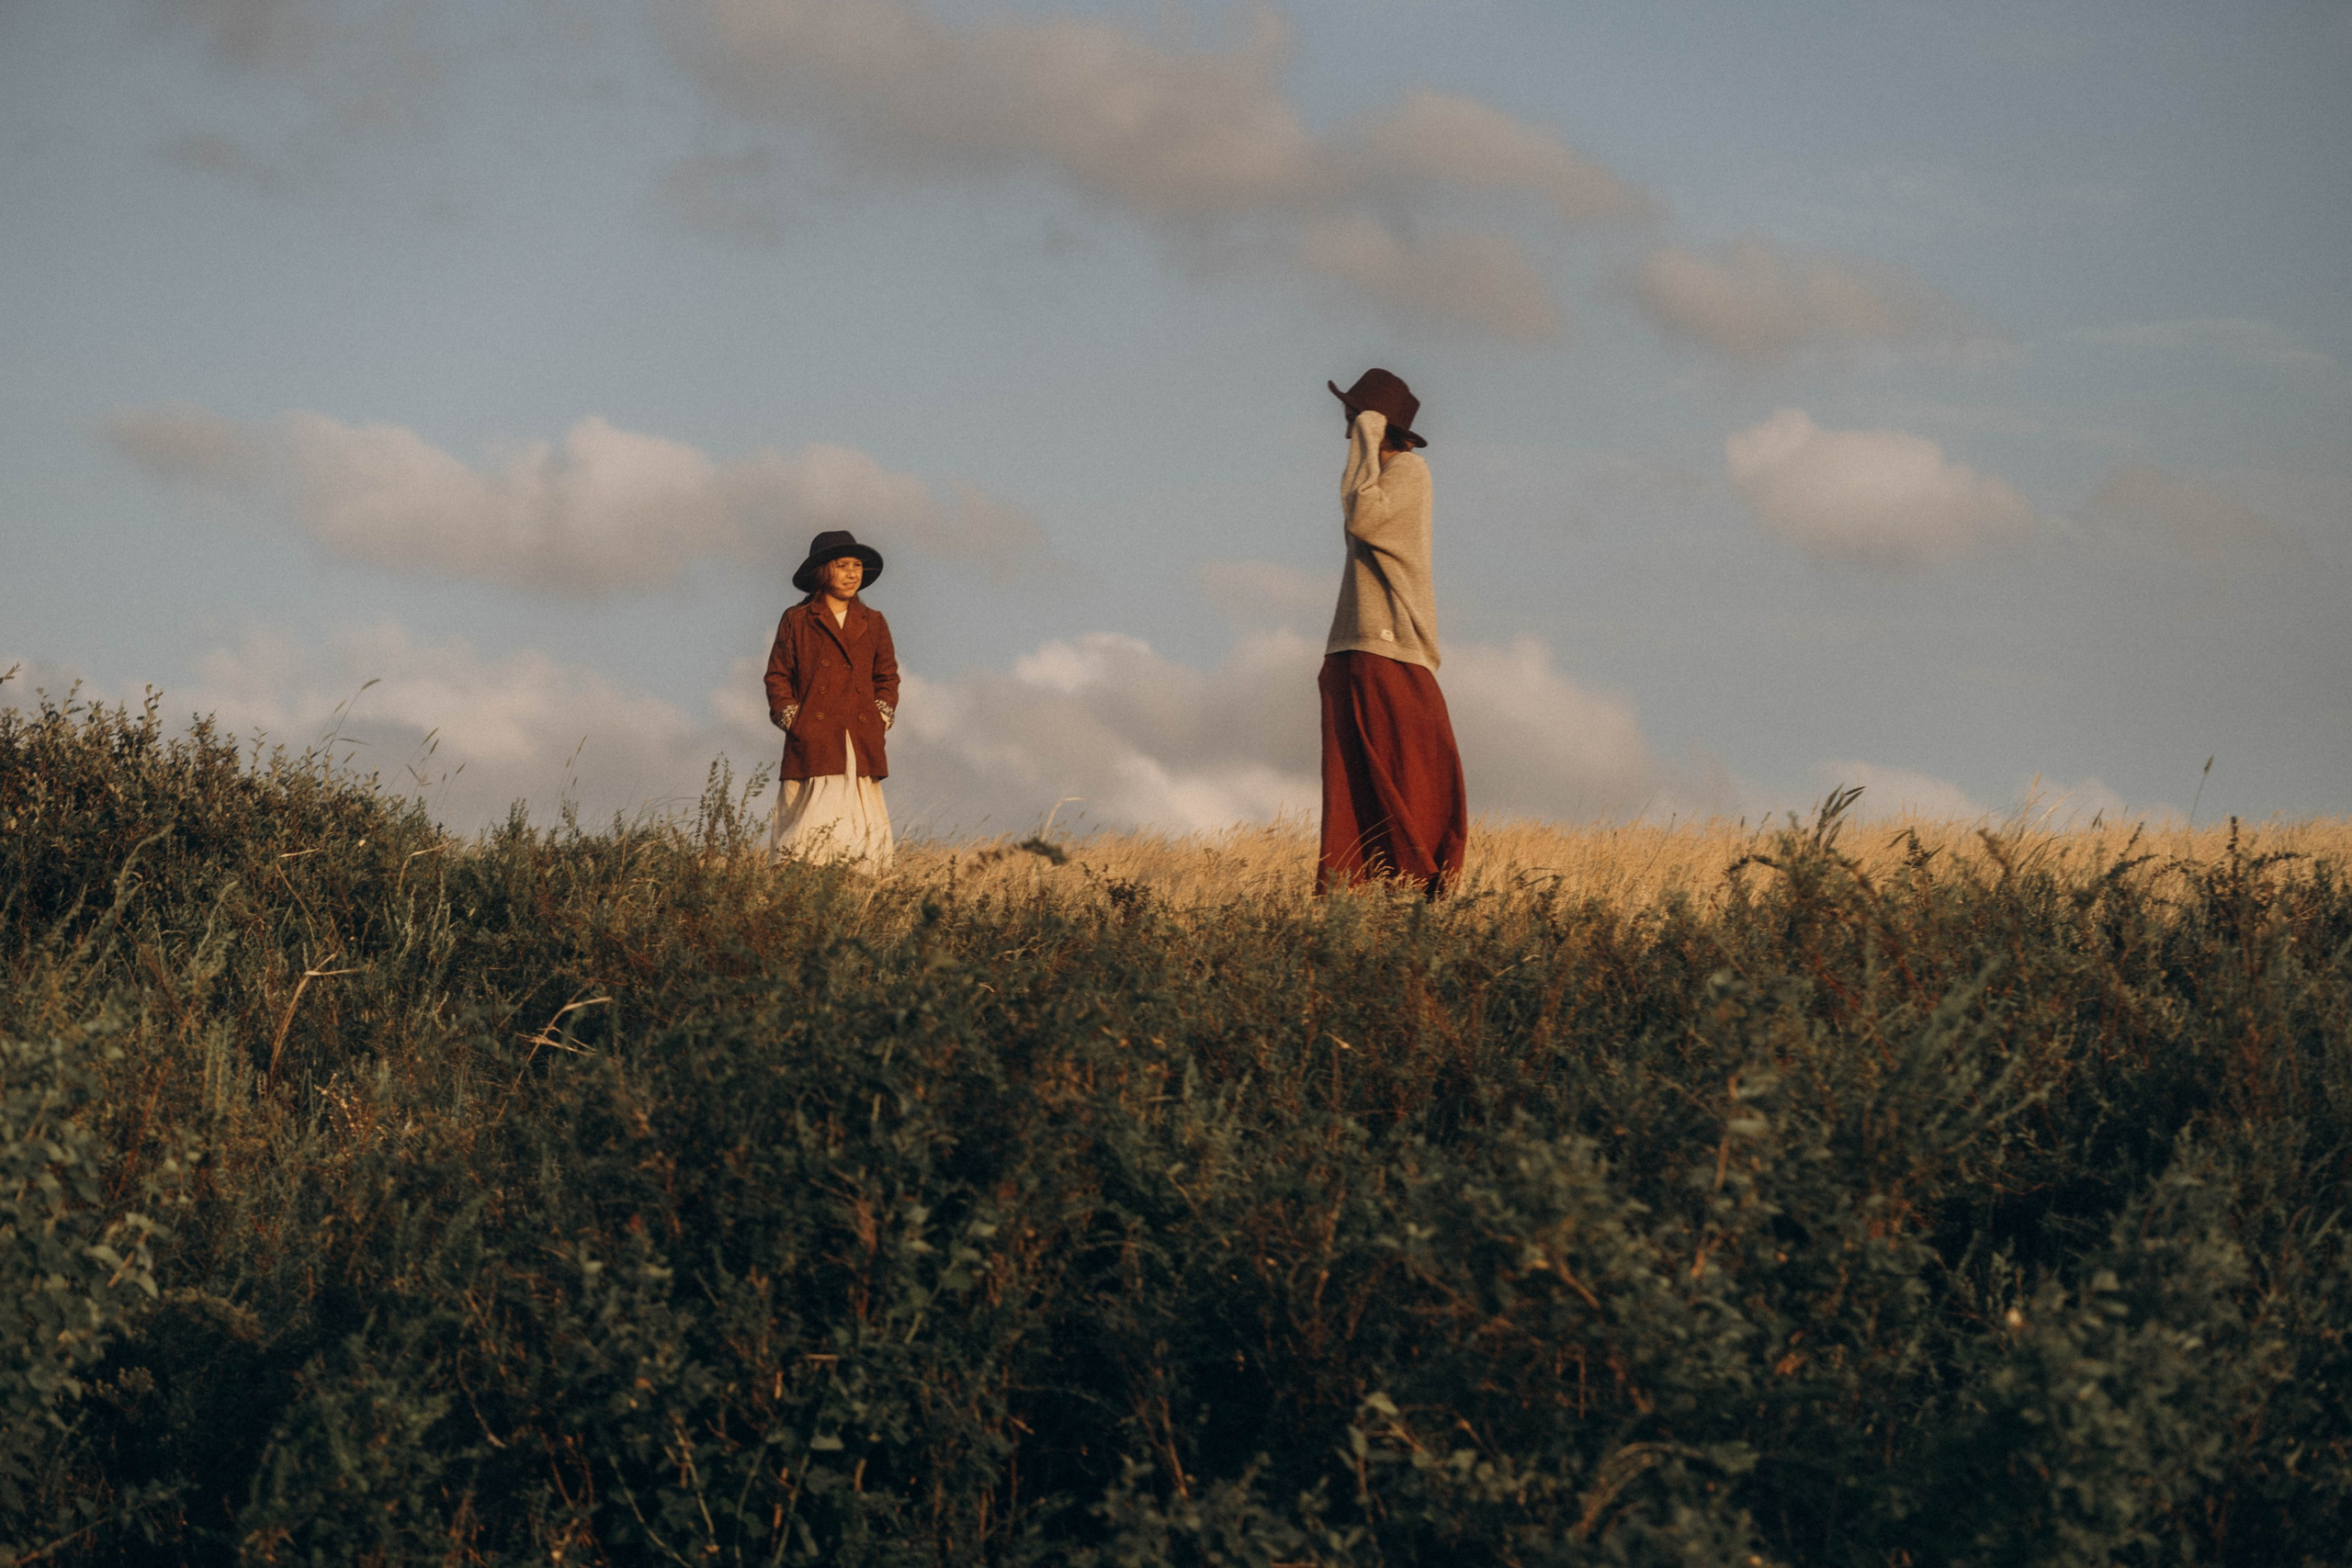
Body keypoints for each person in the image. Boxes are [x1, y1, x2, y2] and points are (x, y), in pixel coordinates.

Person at [1317, 368, 1468, 898]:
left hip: (1394, 645)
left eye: (1352, 420)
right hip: (1351, 647)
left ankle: (1423, 886)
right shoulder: (1371, 478)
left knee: (1418, 771)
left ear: (1373, 423)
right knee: (1351, 785)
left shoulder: (1410, 472)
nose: (1345, 432)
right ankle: (1355, 899)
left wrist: (1366, 436)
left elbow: (1363, 519)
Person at [763, 529, 900, 870]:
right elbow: (778, 675)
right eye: (843, 565)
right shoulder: (796, 620)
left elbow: (887, 677)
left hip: (859, 736)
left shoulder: (874, 621)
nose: (853, 573)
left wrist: (880, 716)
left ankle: (856, 895)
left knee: (861, 844)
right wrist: (795, 720)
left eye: (857, 566)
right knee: (803, 844)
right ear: (822, 571)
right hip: (814, 740)